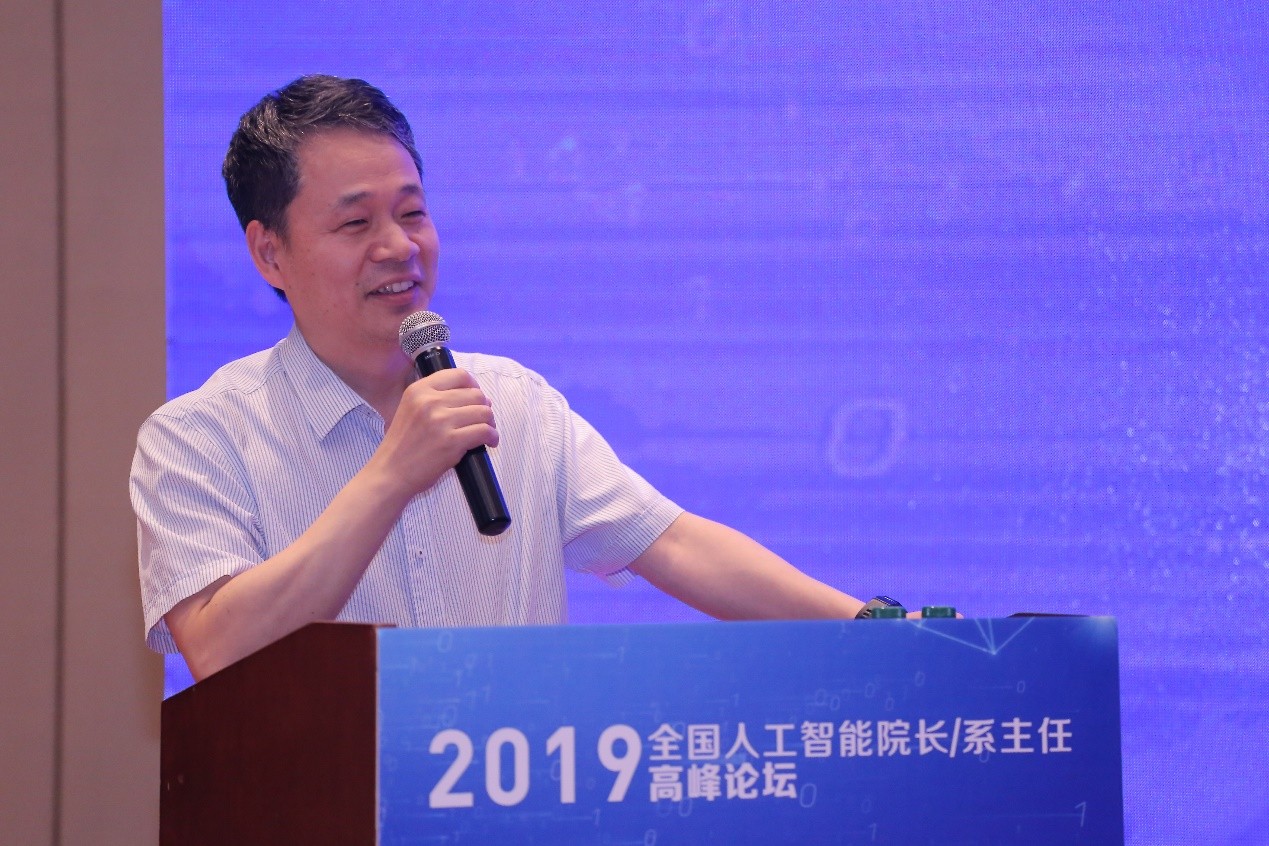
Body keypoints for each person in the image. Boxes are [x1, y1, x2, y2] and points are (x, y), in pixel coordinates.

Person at [131, 75, 899, 682]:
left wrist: (876, 630)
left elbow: (672, 544)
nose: (399, 247)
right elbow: (221, 648)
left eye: (412, 213)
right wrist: (391, 474)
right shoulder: (199, 437)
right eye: (356, 223)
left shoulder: (512, 402)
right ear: (269, 253)